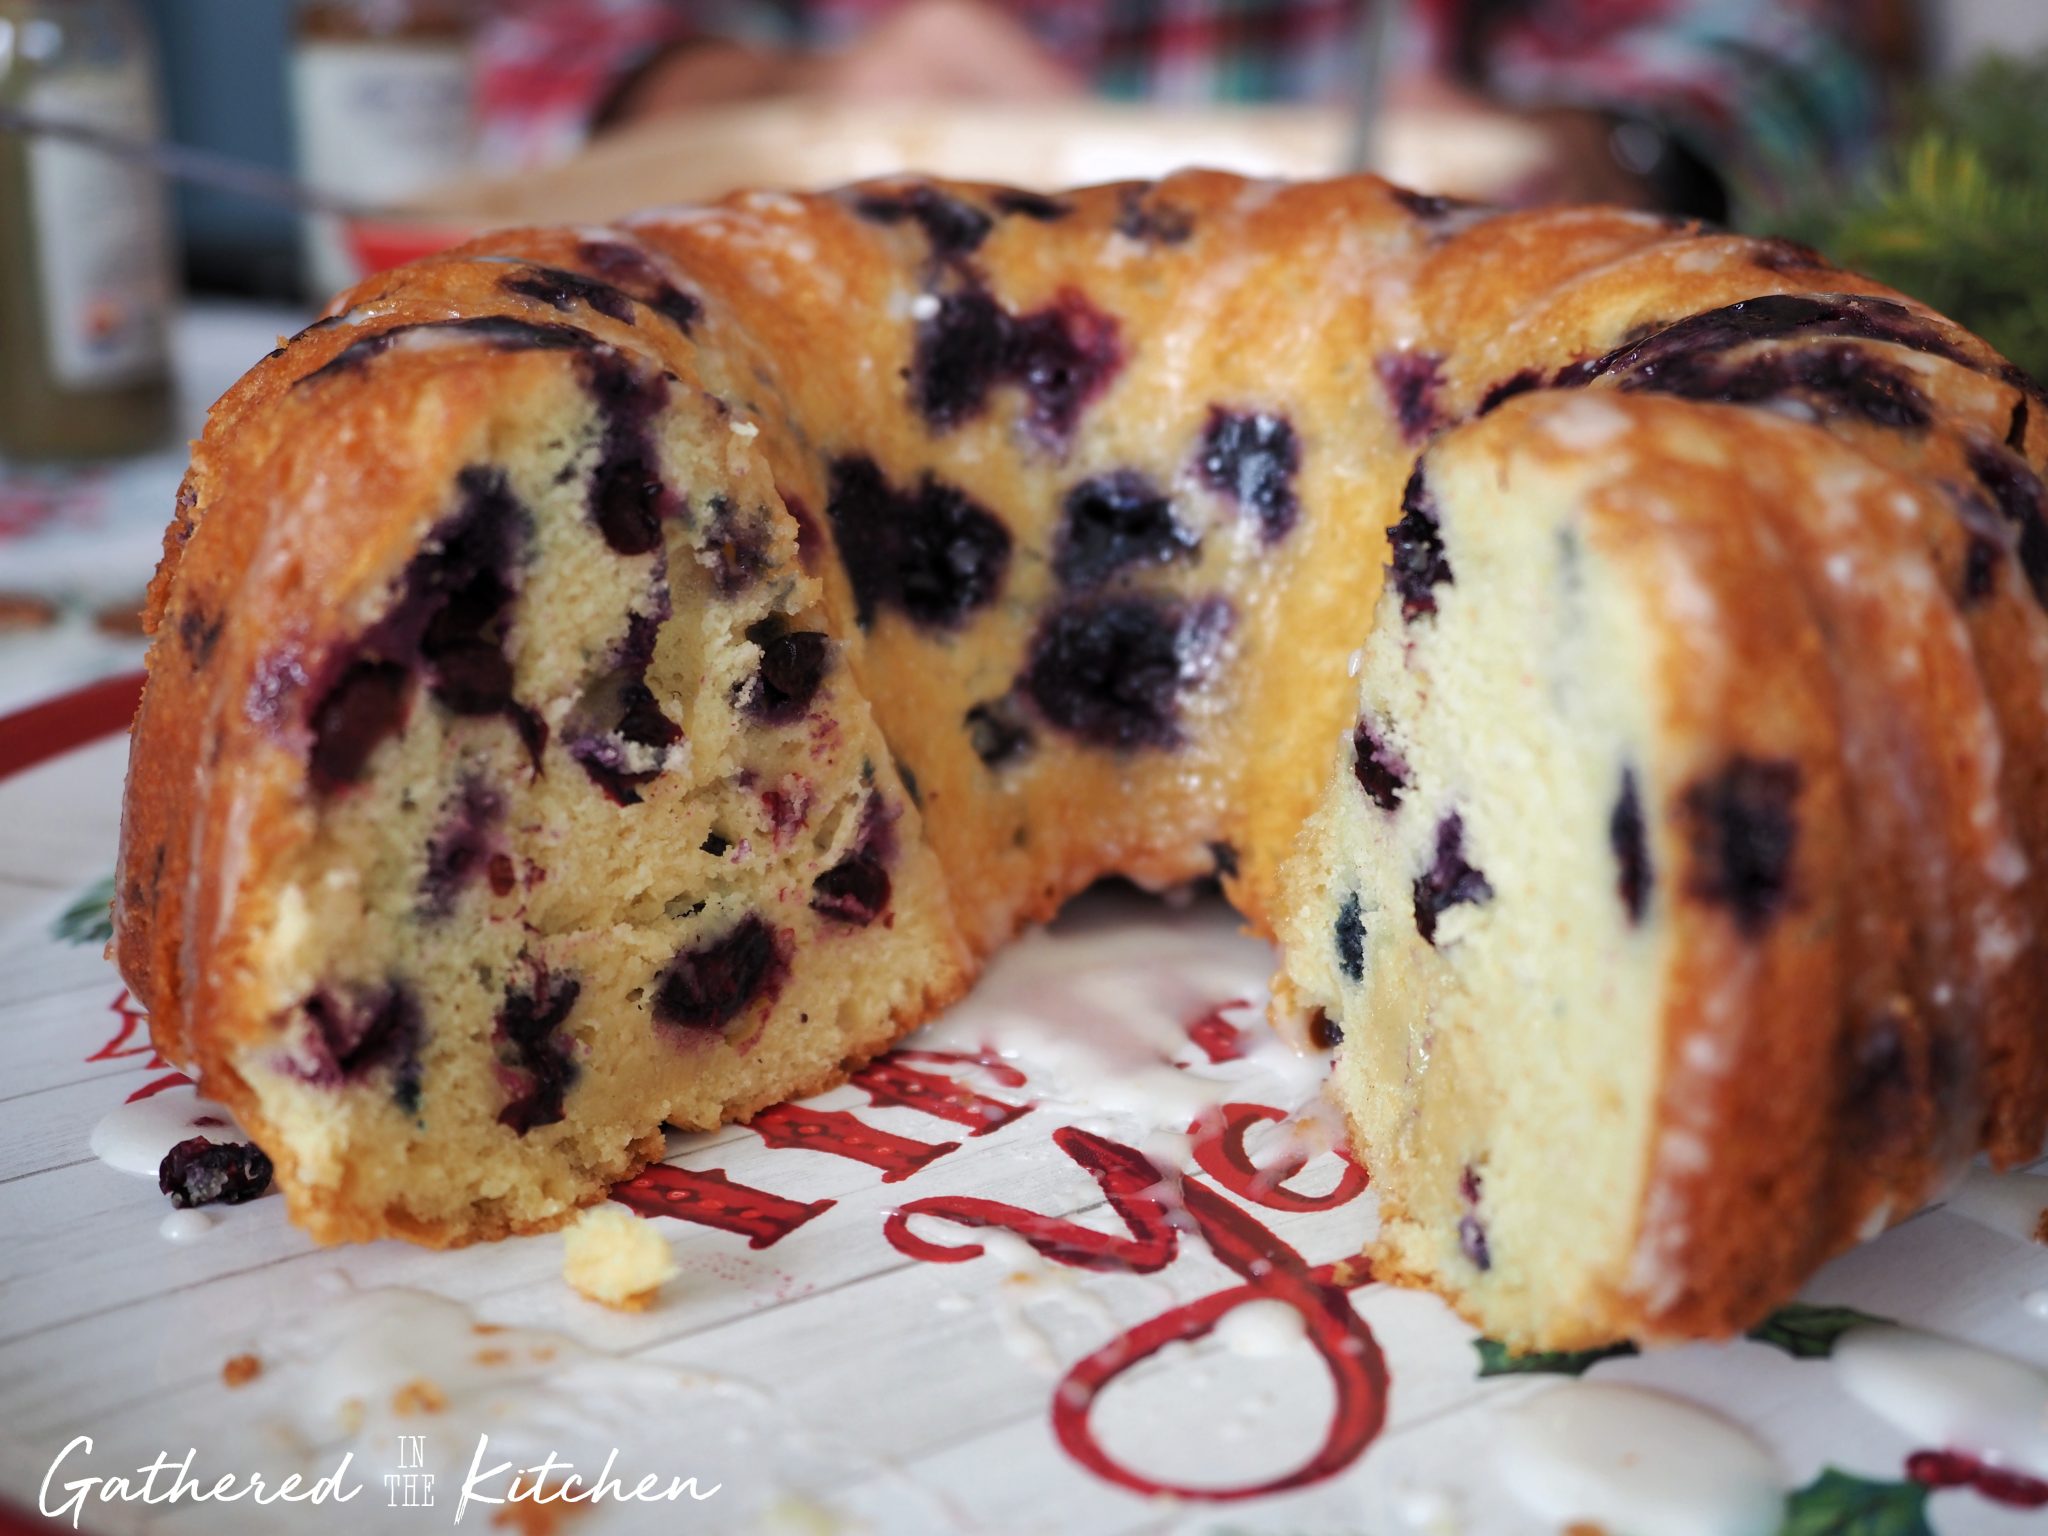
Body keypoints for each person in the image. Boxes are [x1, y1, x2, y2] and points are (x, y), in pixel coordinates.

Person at [475, 0, 1885, 220]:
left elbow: (1789, 51)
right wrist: (805, 103)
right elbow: (532, 54)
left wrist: (1588, 153)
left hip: (1391, 387)